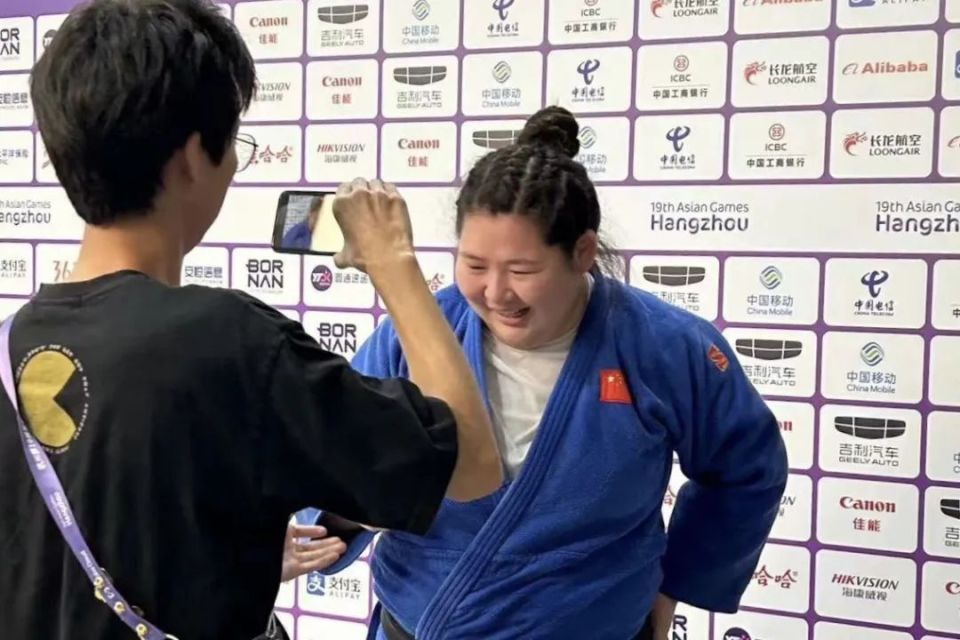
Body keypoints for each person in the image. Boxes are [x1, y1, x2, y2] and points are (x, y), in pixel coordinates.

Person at [0, 1, 502, 639]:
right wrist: (394, 263)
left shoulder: (10, 345)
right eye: (234, 143)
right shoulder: (228, 345)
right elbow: (470, 463)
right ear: (191, 157)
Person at [290, 106, 790, 640]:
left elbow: (746, 467)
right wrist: (350, 512)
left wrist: (675, 586)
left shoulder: (664, 346)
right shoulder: (414, 334)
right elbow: (334, 466)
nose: (495, 292)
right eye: (474, 265)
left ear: (583, 252)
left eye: (522, 270)